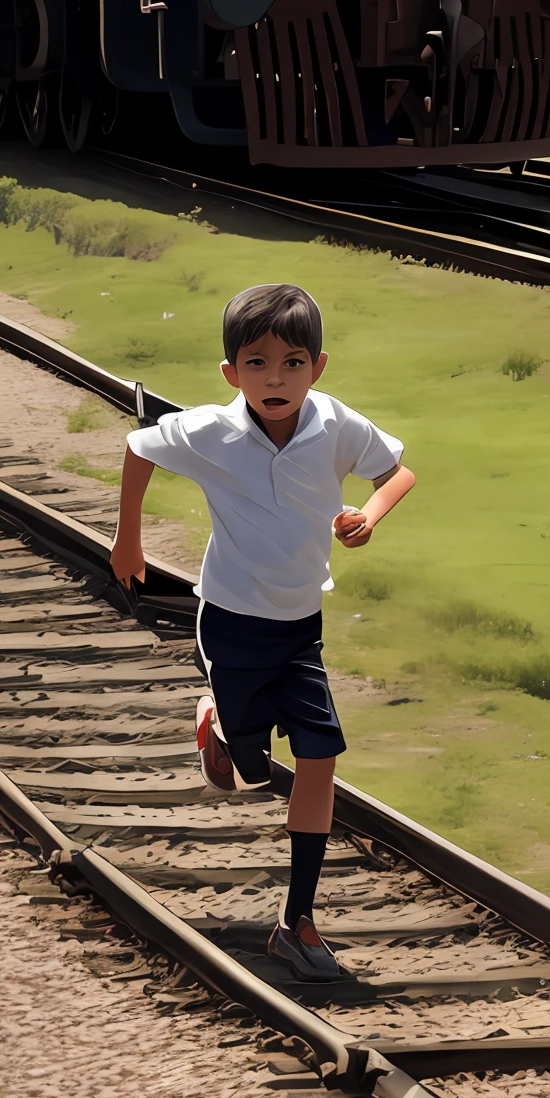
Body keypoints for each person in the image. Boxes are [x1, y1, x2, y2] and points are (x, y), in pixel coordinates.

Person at [108, 282, 415, 983]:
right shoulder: (210, 431)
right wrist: (127, 542)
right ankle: (217, 720)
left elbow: (399, 473)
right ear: (230, 374)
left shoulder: (335, 425)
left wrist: (369, 515)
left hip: (300, 624)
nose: (275, 379)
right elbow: (137, 448)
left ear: (319, 367)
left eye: (292, 363)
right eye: (256, 364)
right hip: (233, 620)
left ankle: (297, 920)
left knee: (319, 755)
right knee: (248, 772)